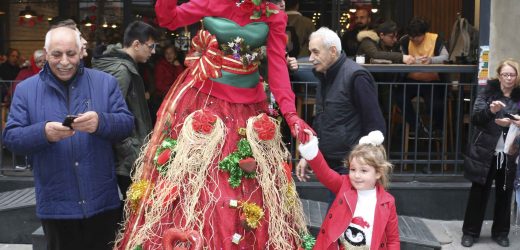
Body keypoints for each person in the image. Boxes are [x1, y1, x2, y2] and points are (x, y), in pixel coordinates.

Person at [114, 0, 314, 249]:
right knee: (198, 183)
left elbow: (277, 66)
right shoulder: (212, 1)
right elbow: (169, 19)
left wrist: (291, 114)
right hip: (204, 100)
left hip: (249, 109)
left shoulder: (272, 14)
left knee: (249, 189)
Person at [2, 27, 134, 250]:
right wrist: (43, 133)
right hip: (56, 206)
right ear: (45, 53)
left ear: (82, 51)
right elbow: (12, 138)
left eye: (71, 54)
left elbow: (127, 124)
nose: (64, 62)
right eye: (56, 54)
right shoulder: (26, 90)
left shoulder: (105, 82)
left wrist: (100, 122)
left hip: (101, 202)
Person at [297, 27, 386, 181]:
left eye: (316, 52)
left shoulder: (356, 77)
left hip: (351, 166)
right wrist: (311, 156)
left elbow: (375, 125)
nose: (311, 58)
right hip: (338, 163)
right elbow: (322, 121)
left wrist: (362, 168)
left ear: (332, 51)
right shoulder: (325, 75)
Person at [298, 130, 399, 249]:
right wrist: (311, 148)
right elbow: (324, 173)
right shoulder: (344, 185)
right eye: (353, 169)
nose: (356, 175)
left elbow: (393, 240)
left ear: (378, 173)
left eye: (364, 171)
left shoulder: (387, 202)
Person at [92, 21, 157, 200]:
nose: (153, 52)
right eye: (150, 46)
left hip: (124, 153)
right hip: (127, 156)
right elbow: (111, 115)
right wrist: (131, 150)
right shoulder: (122, 70)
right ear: (136, 44)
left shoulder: (119, 65)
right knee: (134, 209)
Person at [461, 59, 520, 248]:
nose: (509, 78)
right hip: (486, 151)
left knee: (505, 192)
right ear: (499, 75)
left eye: (512, 75)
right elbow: (476, 118)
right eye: (505, 74)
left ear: (517, 76)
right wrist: (490, 110)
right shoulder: (487, 93)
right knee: (478, 193)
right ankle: (470, 233)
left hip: (509, 152)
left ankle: (501, 233)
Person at [396, 17, 449, 137]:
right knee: (399, 97)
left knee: (435, 103)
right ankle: (417, 126)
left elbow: (445, 57)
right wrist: (406, 60)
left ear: (424, 33)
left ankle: (437, 130)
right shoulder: (404, 40)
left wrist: (431, 60)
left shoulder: (436, 39)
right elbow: (399, 57)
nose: (413, 39)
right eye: (411, 36)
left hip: (432, 80)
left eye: (417, 36)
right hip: (411, 80)